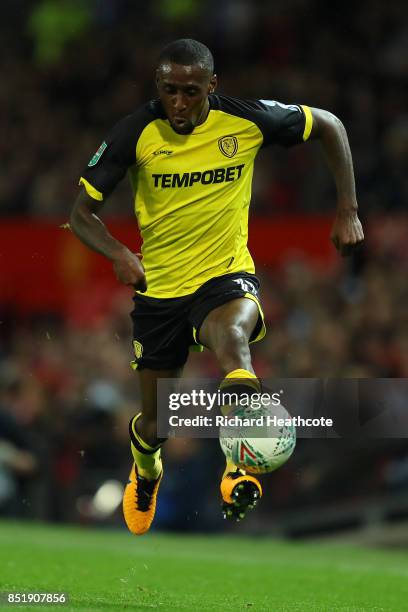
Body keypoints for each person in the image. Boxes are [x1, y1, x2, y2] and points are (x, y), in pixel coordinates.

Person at [70, 38, 364, 535]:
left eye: (190, 91)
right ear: (158, 87)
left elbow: (330, 125)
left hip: (224, 275)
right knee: (155, 424)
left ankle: (240, 465)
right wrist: (119, 253)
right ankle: (146, 471)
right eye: (169, 91)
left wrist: (348, 210)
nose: (179, 103)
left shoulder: (246, 121)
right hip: (160, 290)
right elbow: (80, 214)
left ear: (212, 85)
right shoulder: (135, 132)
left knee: (234, 349)